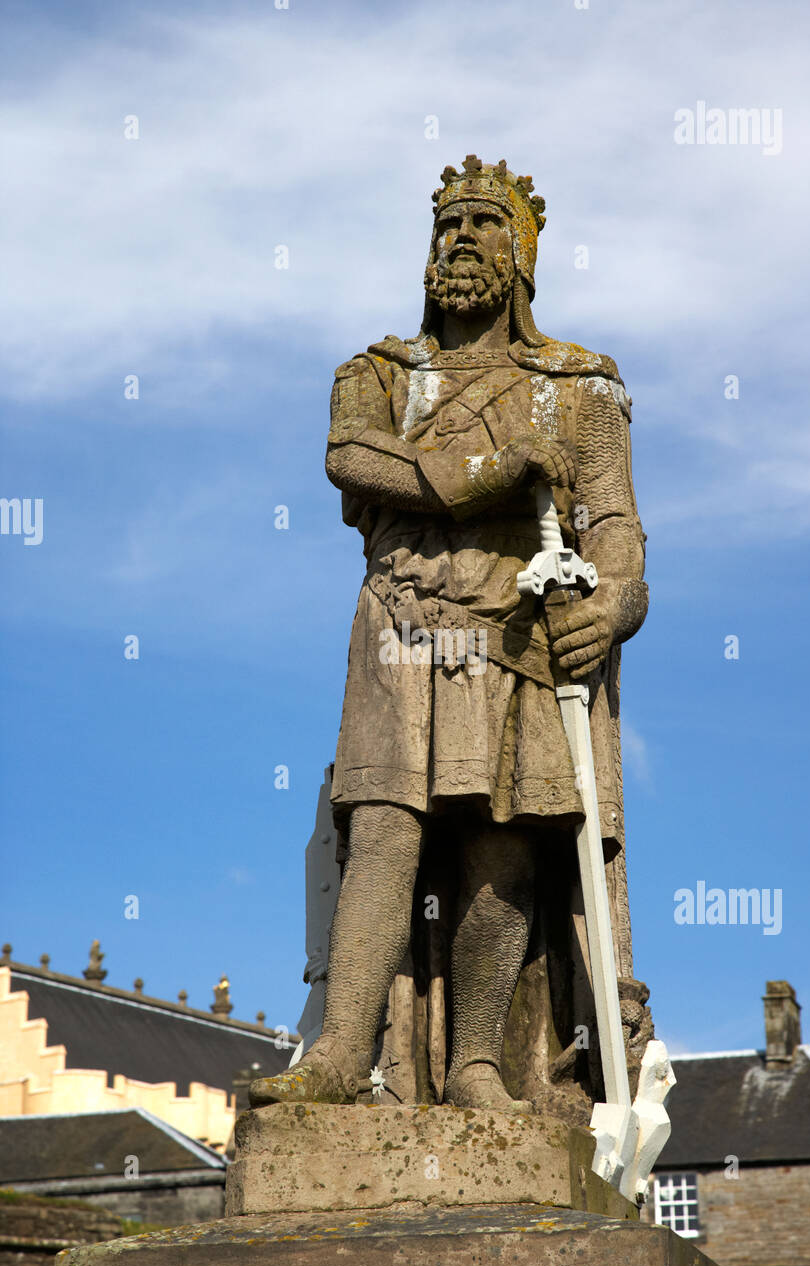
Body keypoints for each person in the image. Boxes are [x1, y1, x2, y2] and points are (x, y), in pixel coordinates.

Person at [250, 156, 648, 1113]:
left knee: (504, 844)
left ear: (523, 258)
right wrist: (496, 465)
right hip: (404, 619)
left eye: (484, 225)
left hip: (521, 630)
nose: (460, 240)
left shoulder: (580, 386)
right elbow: (352, 458)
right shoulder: (380, 374)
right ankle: (345, 1054)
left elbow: (616, 524)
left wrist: (617, 606)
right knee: (384, 827)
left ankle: (478, 1062)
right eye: (447, 226)